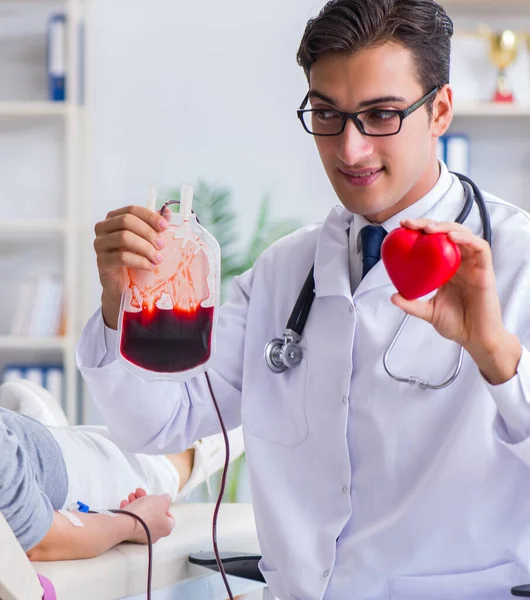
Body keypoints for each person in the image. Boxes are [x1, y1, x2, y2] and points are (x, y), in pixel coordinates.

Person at [77, 0, 530, 598]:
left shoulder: (517, 260)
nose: (351, 149)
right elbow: (156, 422)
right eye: (327, 114)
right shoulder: (285, 272)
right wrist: (119, 302)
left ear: (439, 109)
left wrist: (501, 361)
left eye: (381, 115)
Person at [0, 378, 244, 561]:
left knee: (154, 466)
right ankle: (224, 435)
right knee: (166, 469)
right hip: (51, 460)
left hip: (33, 448)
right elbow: (42, 542)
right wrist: (135, 522)